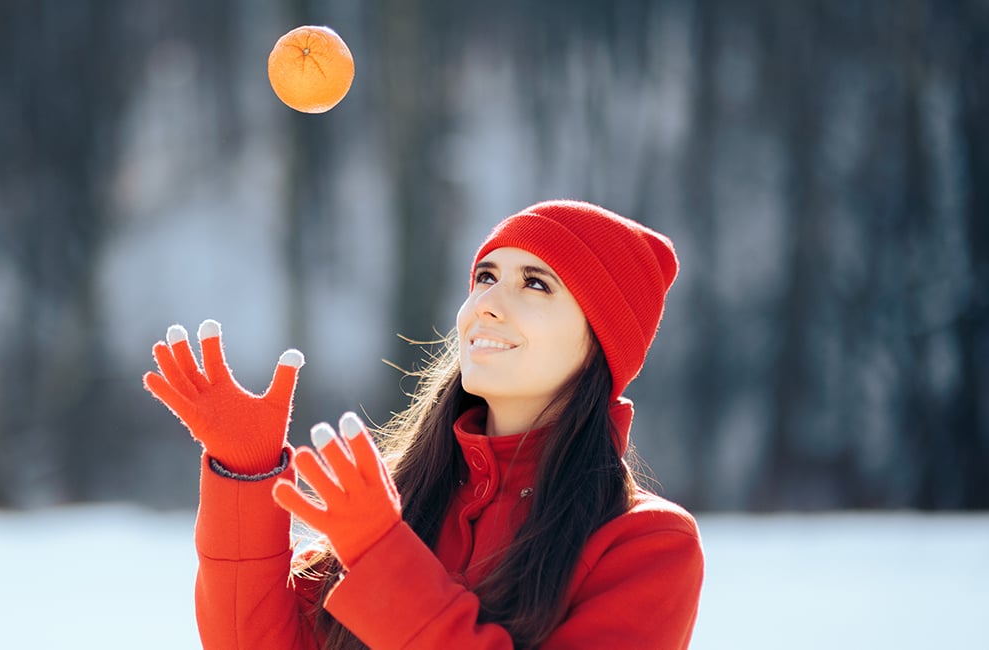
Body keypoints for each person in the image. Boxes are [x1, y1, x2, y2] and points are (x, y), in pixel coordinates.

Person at [144, 199, 704, 649]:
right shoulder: (395, 498)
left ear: (600, 343)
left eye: (535, 283)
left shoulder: (646, 544)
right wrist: (246, 475)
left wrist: (383, 557)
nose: (486, 303)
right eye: (485, 277)